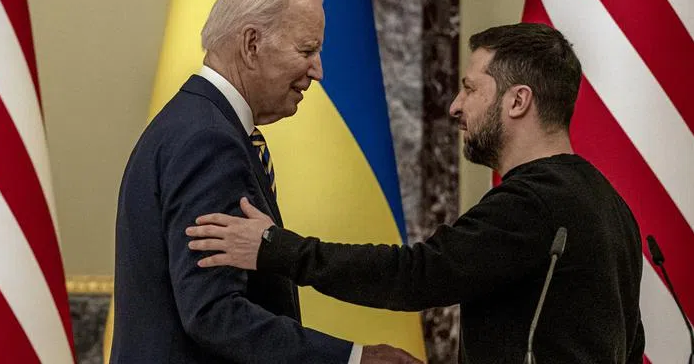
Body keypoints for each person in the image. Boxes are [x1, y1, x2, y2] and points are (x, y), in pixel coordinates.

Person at [187, 22, 646, 364]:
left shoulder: (533, 203)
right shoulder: (609, 203)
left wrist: (275, 249)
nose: (455, 106)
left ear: (518, 101)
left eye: (470, 88)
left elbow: (416, 276)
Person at [111, 0, 421, 364]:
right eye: (307, 50)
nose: (318, 71)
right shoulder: (208, 141)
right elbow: (213, 314)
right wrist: (354, 359)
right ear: (252, 44)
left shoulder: (194, 122)